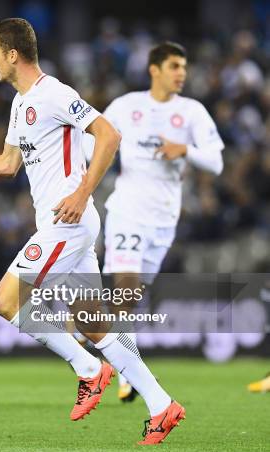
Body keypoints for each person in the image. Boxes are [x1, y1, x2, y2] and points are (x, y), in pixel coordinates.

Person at [0, 18, 185, 445]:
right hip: (64, 223)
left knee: (5, 302)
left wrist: (83, 192)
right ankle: (162, 405)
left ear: (12, 54)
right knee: (93, 323)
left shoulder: (55, 94)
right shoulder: (19, 103)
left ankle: (87, 369)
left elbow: (109, 134)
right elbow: (6, 165)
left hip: (69, 222)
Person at [100, 42, 224, 402]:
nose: (181, 72)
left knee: (132, 297)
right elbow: (95, 139)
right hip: (127, 209)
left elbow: (215, 162)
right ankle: (129, 375)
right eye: (174, 66)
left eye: (183, 66)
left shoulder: (192, 112)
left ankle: (98, 337)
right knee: (126, 289)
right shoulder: (126, 106)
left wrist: (184, 149)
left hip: (164, 218)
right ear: (154, 69)